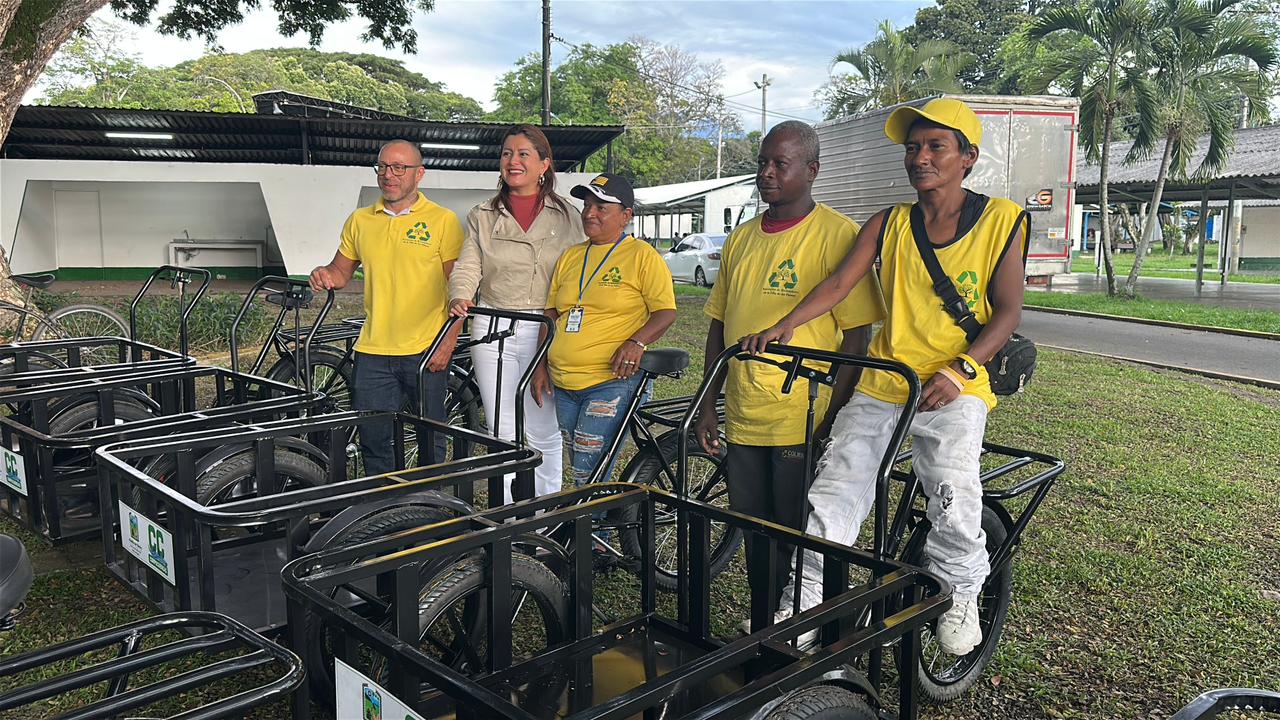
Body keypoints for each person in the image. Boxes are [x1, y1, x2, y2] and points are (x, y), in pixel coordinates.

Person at [744, 98, 1028, 656]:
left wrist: (963, 368)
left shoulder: (1001, 220)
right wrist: (784, 326)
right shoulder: (889, 222)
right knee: (831, 498)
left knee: (951, 493)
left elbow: (1008, 312)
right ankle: (801, 610)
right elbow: (837, 285)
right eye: (913, 147)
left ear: (967, 158)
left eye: (935, 147)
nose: (920, 157)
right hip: (885, 381)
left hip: (954, 384)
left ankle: (964, 587)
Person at [692, 120, 885, 617]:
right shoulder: (740, 240)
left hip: (803, 417)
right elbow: (719, 325)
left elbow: (856, 337)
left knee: (807, 541)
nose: (768, 173)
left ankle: (821, 643)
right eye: (762, 163)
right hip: (744, 415)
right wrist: (707, 404)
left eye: (781, 163)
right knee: (757, 537)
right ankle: (765, 635)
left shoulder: (838, 235)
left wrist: (831, 420)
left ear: (812, 170)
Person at [310, 139, 464, 476]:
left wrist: (448, 342)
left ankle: (428, 506)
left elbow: (461, 288)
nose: (388, 175)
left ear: (419, 174)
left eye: (398, 167)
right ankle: (386, 508)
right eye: (382, 166)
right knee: (374, 439)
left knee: (430, 437)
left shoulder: (443, 221)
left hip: (426, 348)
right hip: (373, 349)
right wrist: (325, 274)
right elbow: (341, 270)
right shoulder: (361, 220)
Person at [448, 125, 583, 502]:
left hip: (546, 326)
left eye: (524, 154)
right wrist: (460, 296)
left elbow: (580, 270)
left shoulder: (568, 216)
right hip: (492, 326)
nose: (514, 161)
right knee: (501, 428)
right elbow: (468, 265)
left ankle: (544, 516)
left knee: (543, 427)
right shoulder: (483, 215)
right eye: (507, 153)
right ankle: (507, 518)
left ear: (544, 164)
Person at [531, 173, 676, 488]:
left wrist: (636, 342)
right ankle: (596, 529)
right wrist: (540, 364)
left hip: (611, 382)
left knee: (588, 473)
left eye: (601, 207)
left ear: (626, 215)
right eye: (587, 205)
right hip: (565, 383)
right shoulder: (571, 256)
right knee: (584, 470)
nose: (589, 213)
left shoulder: (642, 256)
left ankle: (597, 535)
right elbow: (552, 313)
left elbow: (665, 312)